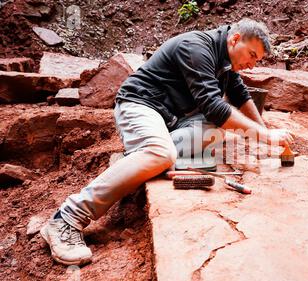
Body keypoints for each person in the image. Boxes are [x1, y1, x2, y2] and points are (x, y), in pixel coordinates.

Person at [40, 18, 294, 266]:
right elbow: (214, 106)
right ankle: (67, 218)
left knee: (216, 133)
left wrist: (265, 133)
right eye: (251, 55)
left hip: (172, 119)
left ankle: (145, 159)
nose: (252, 64)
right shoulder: (196, 47)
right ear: (235, 39)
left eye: (257, 60)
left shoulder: (226, 61)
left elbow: (239, 95)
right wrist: (265, 137)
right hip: (139, 105)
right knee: (162, 152)